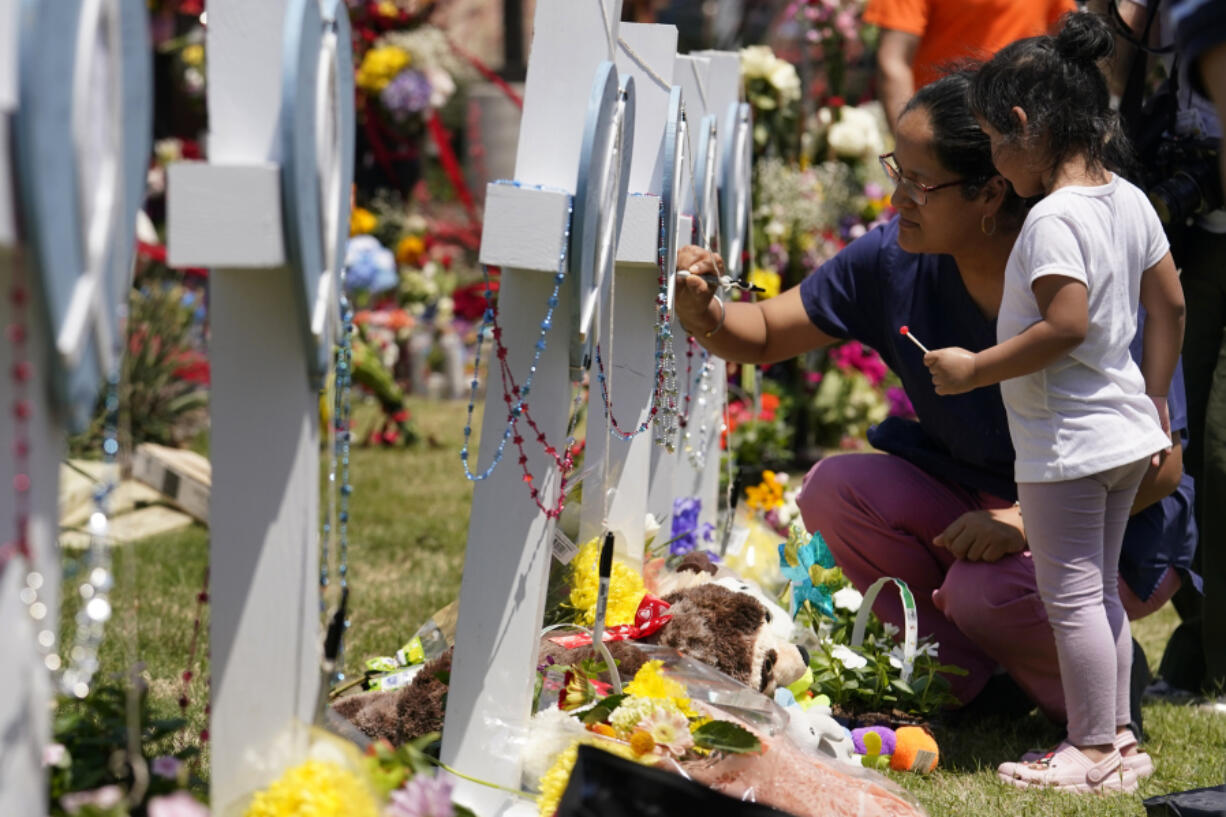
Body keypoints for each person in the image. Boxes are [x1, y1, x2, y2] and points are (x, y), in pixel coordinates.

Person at [674, 68, 1196, 787]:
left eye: (920, 183)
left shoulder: (1074, 251)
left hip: (1112, 518)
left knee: (987, 594)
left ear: (991, 190)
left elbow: (1160, 464)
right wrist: (704, 310)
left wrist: (1021, 523)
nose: (896, 198)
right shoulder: (892, 258)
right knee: (836, 490)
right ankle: (984, 679)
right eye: (898, 171)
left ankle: (1099, 717)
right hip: (985, 502)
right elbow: (762, 330)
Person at [920, 13, 1185, 791]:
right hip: (1124, 432)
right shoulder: (1129, 199)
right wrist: (1159, 396)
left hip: (1067, 442)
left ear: (1024, 125)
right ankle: (1120, 740)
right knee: (1094, 588)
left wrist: (976, 368)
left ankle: (1092, 747)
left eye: (995, 143)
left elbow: (1065, 323)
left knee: (1069, 594)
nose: (997, 163)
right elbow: (1168, 305)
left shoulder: (1052, 218)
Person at [1096, 0, 1226, 701]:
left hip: (1193, 229)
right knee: (1187, 449)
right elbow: (1116, 91)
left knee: (1215, 450)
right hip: (1190, 239)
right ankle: (1201, 648)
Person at [864, 0, 1074, 134]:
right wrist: (907, 141)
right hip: (946, 130)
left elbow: (1063, 45)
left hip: (1021, 127)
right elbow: (894, 61)